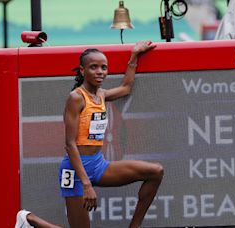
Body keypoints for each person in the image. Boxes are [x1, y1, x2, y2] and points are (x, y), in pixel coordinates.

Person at [59, 40, 163, 228]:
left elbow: (126, 88)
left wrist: (134, 55)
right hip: (75, 171)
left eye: (104, 67)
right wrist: (86, 184)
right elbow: (69, 144)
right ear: (82, 71)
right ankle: (28, 219)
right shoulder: (76, 98)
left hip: (98, 164)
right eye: (94, 67)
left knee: (155, 172)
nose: (100, 71)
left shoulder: (102, 95)